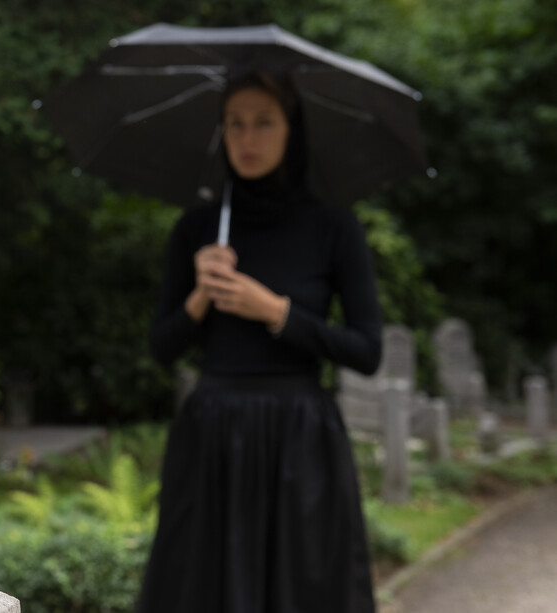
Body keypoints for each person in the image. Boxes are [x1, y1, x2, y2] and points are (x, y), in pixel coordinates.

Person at [136, 70, 382, 613]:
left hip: (300, 437)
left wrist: (275, 311)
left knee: (302, 591)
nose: (247, 139)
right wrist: (201, 295)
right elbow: (162, 349)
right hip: (212, 434)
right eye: (234, 124)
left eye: (263, 123)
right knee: (202, 588)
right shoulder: (197, 229)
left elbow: (367, 351)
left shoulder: (334, 227)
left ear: (292, 130)